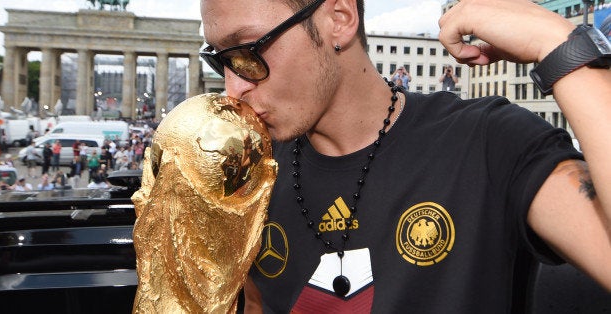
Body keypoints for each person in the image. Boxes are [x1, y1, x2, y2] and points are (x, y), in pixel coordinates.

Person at [199, 0, 611, 312]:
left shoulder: (486, 143)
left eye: (249, 52)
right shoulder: (250, 174)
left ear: (338, 19)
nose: (234, 89)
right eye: (220, 61)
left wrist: (559, 46)